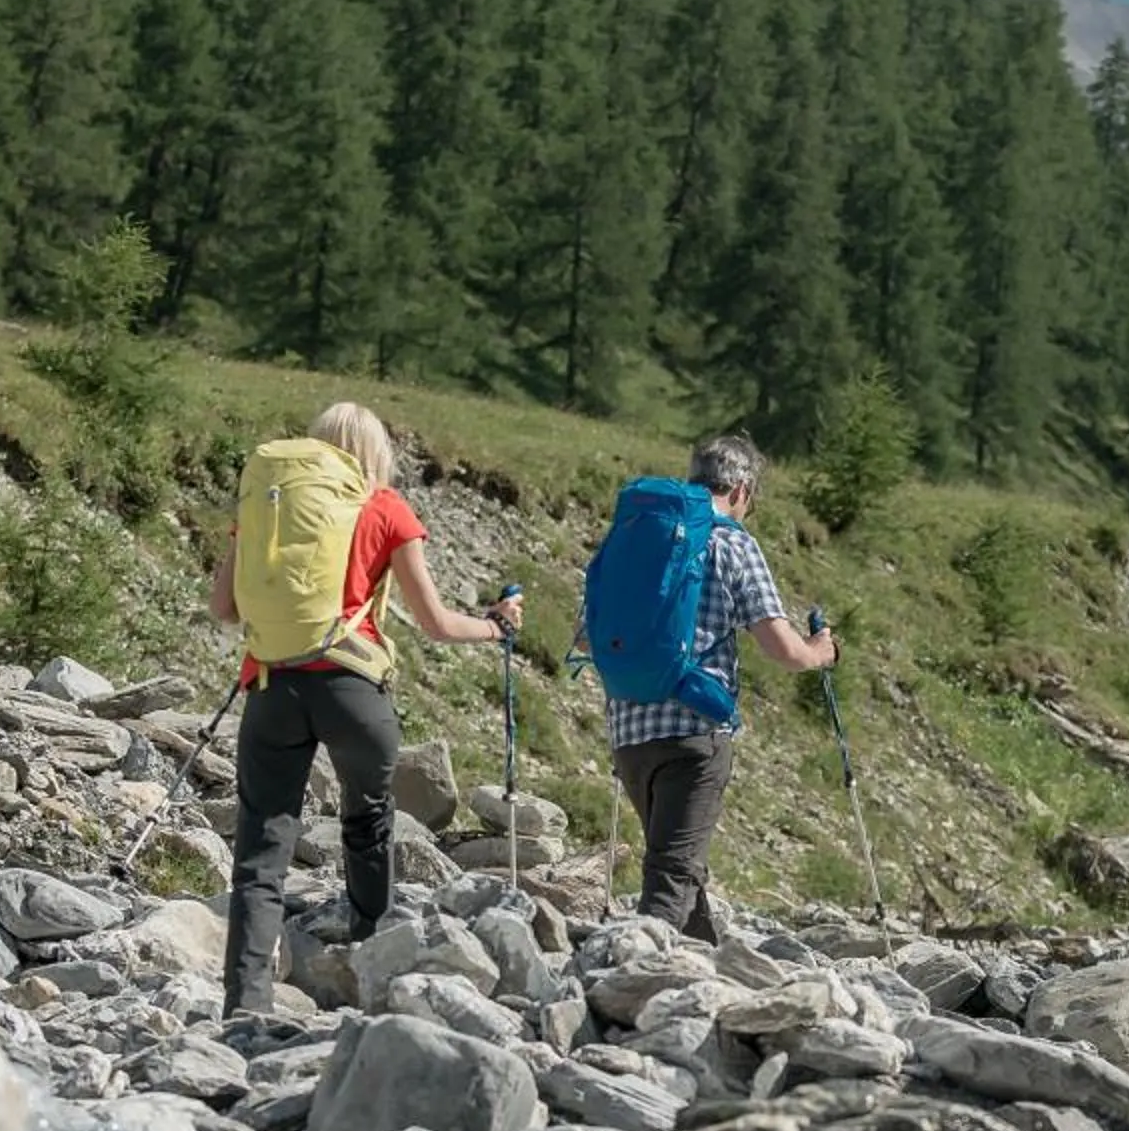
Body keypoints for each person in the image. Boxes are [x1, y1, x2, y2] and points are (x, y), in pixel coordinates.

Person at [209, 401, 522, 1018]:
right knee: (368, 820)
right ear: (375, 453)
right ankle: (370, 952)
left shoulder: (269, 509)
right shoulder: (384, 506)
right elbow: (434, 623)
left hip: (273, 686)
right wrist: (496, 628)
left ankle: (245, 1004)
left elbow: (224, 608)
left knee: (260, 851)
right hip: (354, 690)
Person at [579, 433, 834, 942]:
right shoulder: (734, 542)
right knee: (671, 874)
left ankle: (703, 967)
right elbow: (783, 650)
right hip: (695, 732)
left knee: (678, 859)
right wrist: (823, 651)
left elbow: (586, 638)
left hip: (628, 728)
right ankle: (624, 985)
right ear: (741, 488)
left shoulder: (637, 536)